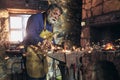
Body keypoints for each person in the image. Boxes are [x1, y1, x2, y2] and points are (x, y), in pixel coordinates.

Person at [23, 4, 63, 80]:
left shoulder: (50, 24)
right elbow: (31, 35)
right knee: (33, 77)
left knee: (43, 75)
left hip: (42, 55)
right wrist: (44, 42)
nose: (56, 17)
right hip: (32, 53)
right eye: (55, 14)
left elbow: (51, 37)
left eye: (58, 16)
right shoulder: (35, 18)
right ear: (49, 11)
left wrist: (55, 45)